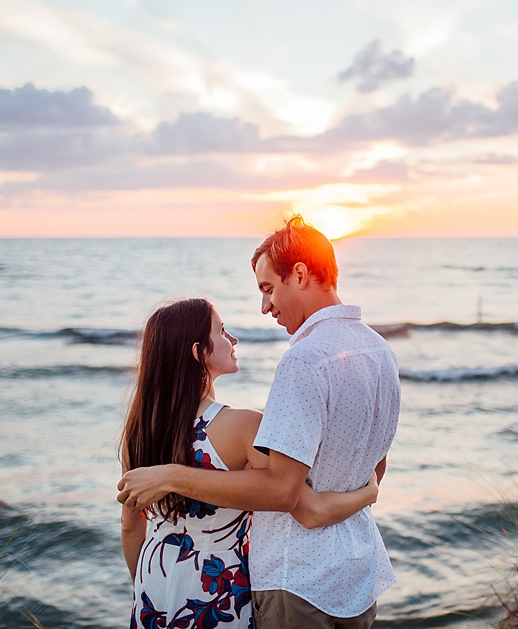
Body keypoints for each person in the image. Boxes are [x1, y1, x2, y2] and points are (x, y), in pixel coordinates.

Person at [118, 215, 401, 629]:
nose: (265, 306)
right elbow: (375, 462)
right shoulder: (382, 354)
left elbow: (284, 492)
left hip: (292, 579)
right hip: (356, 573)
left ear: (300, 275)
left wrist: (172, 478)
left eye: (268, 289)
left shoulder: (302, 360)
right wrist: (368, 493)